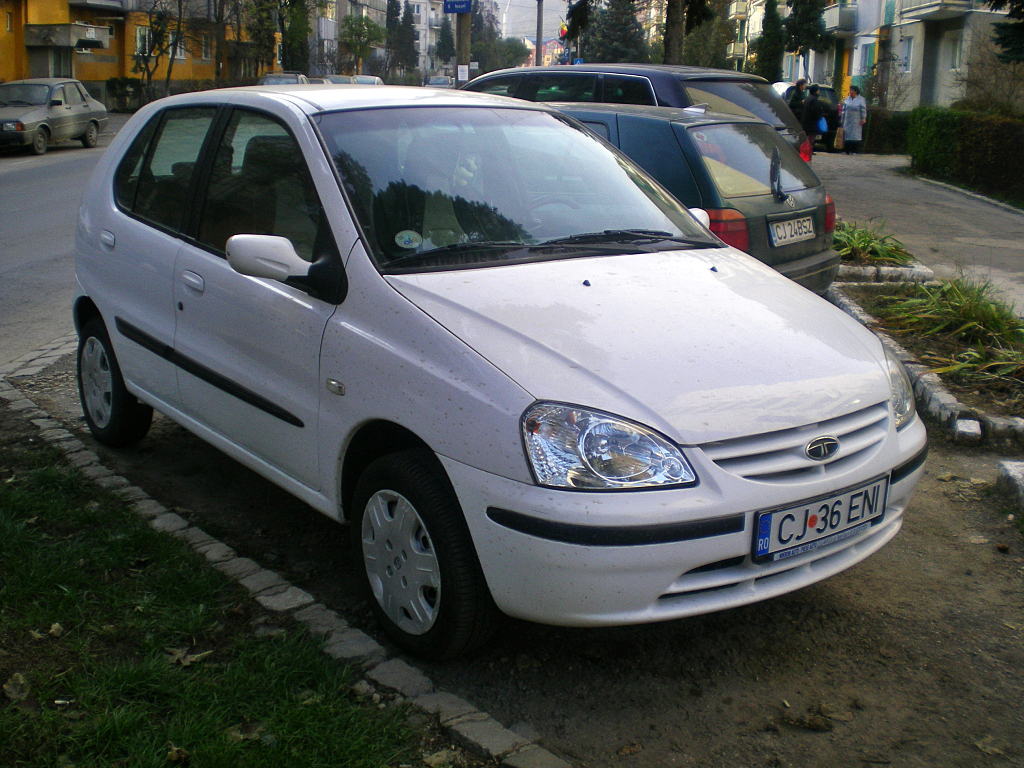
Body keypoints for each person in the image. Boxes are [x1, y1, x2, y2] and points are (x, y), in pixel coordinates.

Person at [800, 83, 831, 158]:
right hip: (812, 123)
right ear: (816, 91)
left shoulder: (807, 98)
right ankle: (808, 150)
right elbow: (816, 112)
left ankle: (806, 150)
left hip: (806, 121)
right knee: (811, 138)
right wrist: (820, 114)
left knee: (807, 137)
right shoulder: (814, 100)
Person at [841, 84, 868, 154]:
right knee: (847, 134)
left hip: (856, 119)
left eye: (852, 90)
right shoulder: (847, 99)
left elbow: (863, 109)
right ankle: (847, 150)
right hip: (848, 118)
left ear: (855, 91)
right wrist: (842, 118)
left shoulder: (861, 99)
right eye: (850, 90)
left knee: (855, 135)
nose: (850, 91)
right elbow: (844, 109)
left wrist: (863, 118)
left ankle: (854, 150)